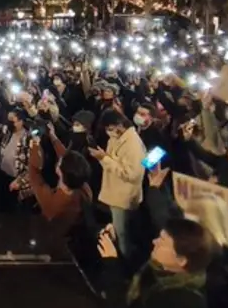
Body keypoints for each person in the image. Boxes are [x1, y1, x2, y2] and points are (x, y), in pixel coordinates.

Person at [98, 217, 213, 308]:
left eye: (162, 242)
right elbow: (130, 282)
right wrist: (115, 250)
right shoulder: (160, 268)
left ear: (181, 260)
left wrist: (111, 262)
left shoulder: (182, 301)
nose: (154, 242)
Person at [91, 110, 146, 260]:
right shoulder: (116, 139)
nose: (109, 132)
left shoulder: (133, 144)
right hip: (115, 192)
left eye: (110, 128)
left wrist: (106, 159)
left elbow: (133, 174)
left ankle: (123, 265)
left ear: (119, 125)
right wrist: (103, 157)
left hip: (124, 196)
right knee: (119, 232)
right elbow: (113, 162)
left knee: (122, 235)